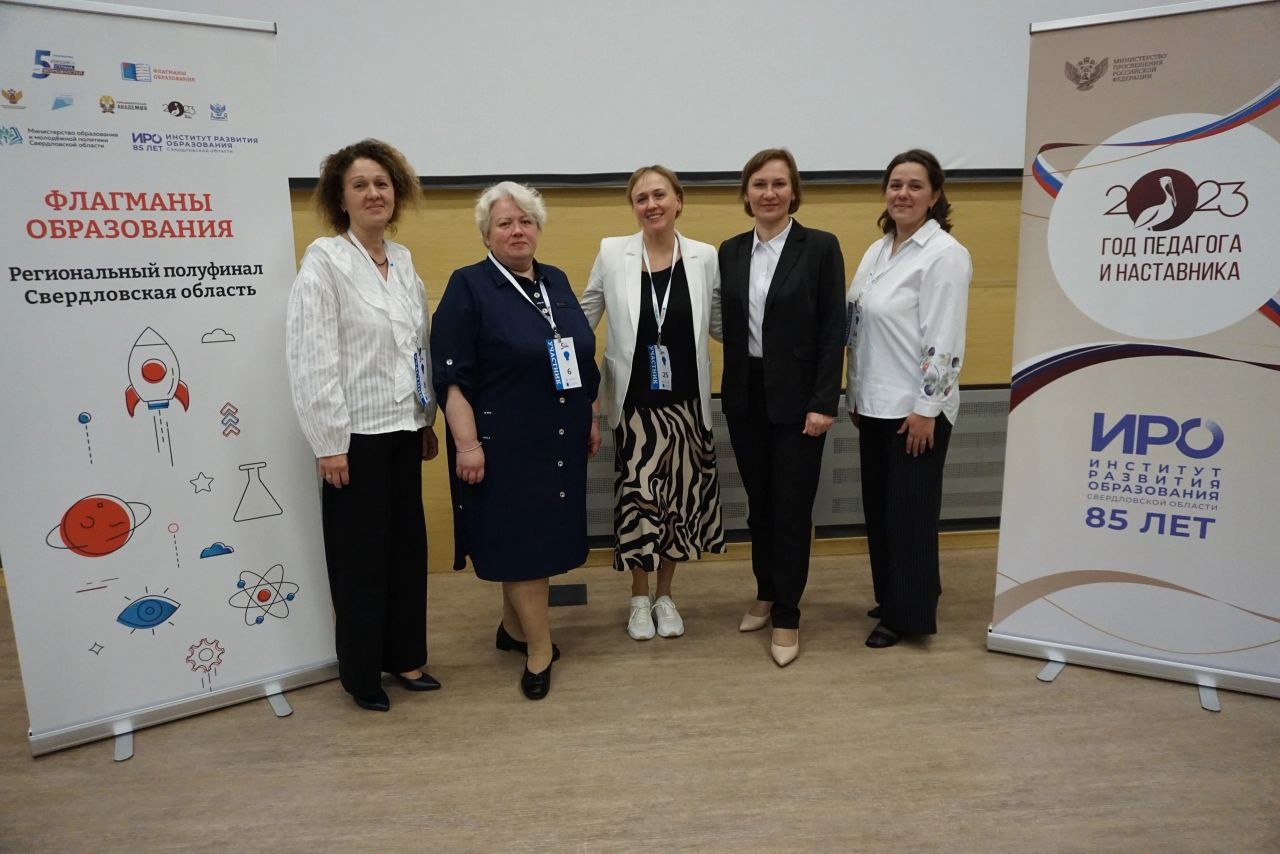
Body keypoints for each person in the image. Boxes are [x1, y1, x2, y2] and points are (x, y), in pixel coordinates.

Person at [285, 139, 441, 713]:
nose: (374, 193)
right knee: (360, 560)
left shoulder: (402, 261)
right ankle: (361, 673)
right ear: (341, 198)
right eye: (360, 185)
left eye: (382, 183)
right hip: (353, 441)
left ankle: (406, 656)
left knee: (406, 550)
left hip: (402, 429)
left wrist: (425, 417)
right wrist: (328, 443)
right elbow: (312, 357)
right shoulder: (325, 261)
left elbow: (417, 348)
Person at [431, 181, 601, 699]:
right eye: (504, 223)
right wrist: (467, 445)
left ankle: (512, 629)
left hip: (559, 437)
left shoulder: (556, 281)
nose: (517, 230)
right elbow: (452, 378)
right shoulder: (469, 286)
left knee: (533, 540)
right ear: (486, 235)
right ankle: (539, 649)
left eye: (525, 221)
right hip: (504, 443)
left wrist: (591, 416)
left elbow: (580, 357)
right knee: (524, 544)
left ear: (538, 229)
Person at [581, 166, 726, 641]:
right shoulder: (612, 252)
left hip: (687, 407)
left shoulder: (704, 256)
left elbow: (721, 324)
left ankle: (665, 596)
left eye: (659, 195)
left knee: (678, 507)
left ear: (678, 200)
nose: (651, 205)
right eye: (641, 198)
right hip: (635, 408)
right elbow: (584, 318)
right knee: (639, 504)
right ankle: (638, 598)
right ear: (633, 207)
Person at [716, 148, 846, 666]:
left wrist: (824, 401)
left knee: (791, 509)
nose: (768, 193)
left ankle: (788, 614)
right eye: (759, 184)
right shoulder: (730, 251)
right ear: (746, 194)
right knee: (760, 506)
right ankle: (766, 592)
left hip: (800, 402)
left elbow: (832, 328)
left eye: (778, 184)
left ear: (793, 192)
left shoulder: (820, 247)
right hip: (745, 396)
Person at [846, 149, 972, 649]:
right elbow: (859, 325)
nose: (903, 194)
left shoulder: (944, 254)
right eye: (895, 184)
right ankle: (894, 596)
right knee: (881, 512)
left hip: (915, 412)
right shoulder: (879, 250)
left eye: (915, 186)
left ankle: (909, 615)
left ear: (935, 195)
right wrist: (854, 393)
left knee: (910, 516)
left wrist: (927, 411)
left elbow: (946, 340)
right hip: (875, 404)